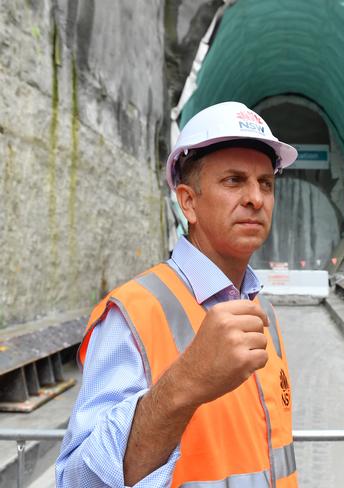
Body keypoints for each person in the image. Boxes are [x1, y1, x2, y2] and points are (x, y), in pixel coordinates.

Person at [56, 101, 299, 488]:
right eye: (234, 180)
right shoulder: (134, 313)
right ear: (188, 201)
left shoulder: (261, 308)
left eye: (266, 183)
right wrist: (184, 383)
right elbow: (78, 480)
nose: (256, 198)